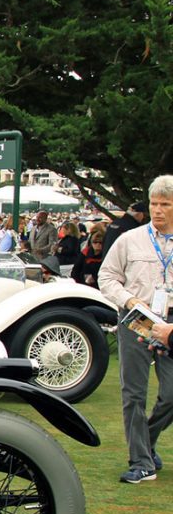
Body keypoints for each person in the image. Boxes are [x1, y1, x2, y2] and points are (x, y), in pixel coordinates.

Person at [98, 175, 173, 484]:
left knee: (170, 395)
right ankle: (140, 460)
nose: (158, 210)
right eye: (154, 203)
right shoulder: (130, 239)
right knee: (134, 393)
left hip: (169, 325)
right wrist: (128, 299)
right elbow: (107, 277)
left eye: (165, 204)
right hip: (135, 321)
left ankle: (148, 437)